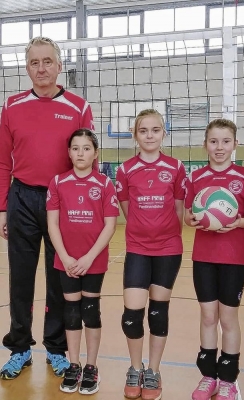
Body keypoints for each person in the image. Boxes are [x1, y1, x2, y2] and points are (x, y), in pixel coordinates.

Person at [0, 36, 94, 379]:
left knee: (60, 280)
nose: (41, 68)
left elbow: (88, 162)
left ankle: (56, 349)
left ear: (59, 65)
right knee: (20, 279)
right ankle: (20, 348)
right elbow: (1, 162)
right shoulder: (11, 106)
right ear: (27, 68)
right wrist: (2, 209)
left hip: (63, 201)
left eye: (47, 61)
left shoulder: (78, 107)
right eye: (34, 63)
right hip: (21, 198)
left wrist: (88, 208)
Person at [116, 109, 186, 400]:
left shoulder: (176, 166)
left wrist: (165, 232)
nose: (149, 135)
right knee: (132, 316)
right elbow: (127, 209)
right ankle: (135, 368)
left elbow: (179, 208)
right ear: (135, 135)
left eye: (155, 130)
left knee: (158, 313)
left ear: (163, 133)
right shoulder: (125, 169)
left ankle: (153, 372)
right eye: (143, 130)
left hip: (168, 249)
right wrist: (144, 230)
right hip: (138, 248)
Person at [184, 118, 244, 400]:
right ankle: (208, 376)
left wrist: (238, 223)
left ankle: (228, 378)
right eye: (213, 141)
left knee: (228, 317)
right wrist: (192, 219)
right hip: (203, 256)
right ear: (205, 145)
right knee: (207, 315)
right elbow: (188, 215)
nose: (219, 147)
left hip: (234, 258)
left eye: (226, 141)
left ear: (235, 144)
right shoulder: (196, 177)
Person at [47, 129, 118, 394]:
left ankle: (91, 366)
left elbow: (110, 225)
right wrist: (65, 257)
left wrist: (88, 258)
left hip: (93, 260)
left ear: (95, 153)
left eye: (86, 148)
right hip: (66, 260)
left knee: (90, 311)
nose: (80, 153)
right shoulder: (58, 182)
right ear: (68, 152)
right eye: (75, 148)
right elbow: (52, 222)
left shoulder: (104, 184)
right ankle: (73, 364)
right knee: (72, 311)